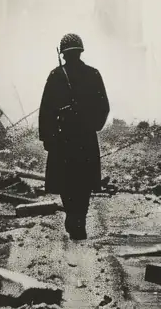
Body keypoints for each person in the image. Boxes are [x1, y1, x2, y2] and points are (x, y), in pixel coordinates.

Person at [38, 33, 110, 241]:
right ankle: (79, 219)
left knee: (66, 181)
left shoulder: (55, 76)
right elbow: (103, 106)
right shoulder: (93, 74)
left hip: (62, 139)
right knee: (84, 182)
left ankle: (72, 216)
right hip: (85, 138)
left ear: (63, 54)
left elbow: (46, 110)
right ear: (80, 52)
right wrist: (94, 125)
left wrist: (48, 137)